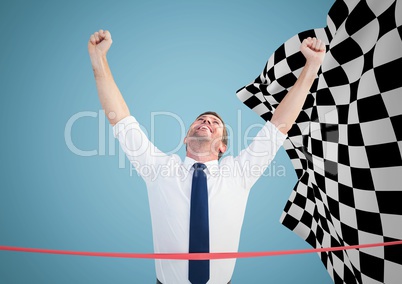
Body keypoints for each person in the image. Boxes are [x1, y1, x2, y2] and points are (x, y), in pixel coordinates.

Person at [88, 29, 326, 284]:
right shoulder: (159, 168)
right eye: (200, 120)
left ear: (223, 147)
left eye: (215, 123)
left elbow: (280, 123)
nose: (206, 122)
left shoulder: (239, 173)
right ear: (185, 138)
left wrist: (312, 66)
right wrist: (98, 59)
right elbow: (121, 119)